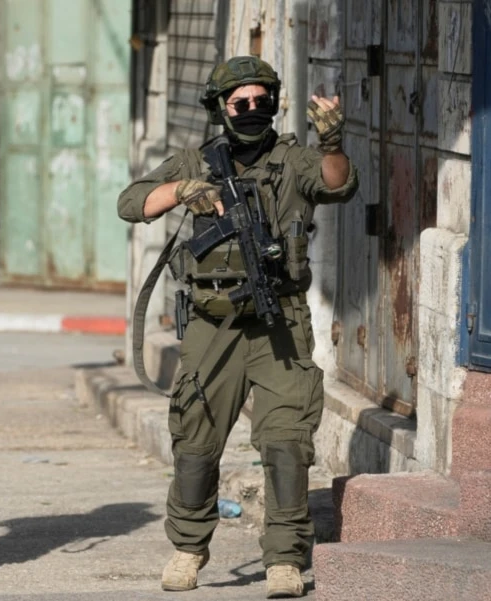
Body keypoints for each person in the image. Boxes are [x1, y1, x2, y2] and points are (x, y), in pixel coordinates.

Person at [117, 56, 359, 598]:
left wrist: (332, 142)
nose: (252, 109)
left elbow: (337, 183)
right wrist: (182, 190)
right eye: (240, 102)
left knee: (286, 445)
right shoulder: (195, 160)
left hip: (280, 322)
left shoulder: (294, 160)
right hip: (213, 325)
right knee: (195, 441)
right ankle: (188, 548)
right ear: (220, 107)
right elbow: (131, 203)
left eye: (261, 99)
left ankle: (284, 559)